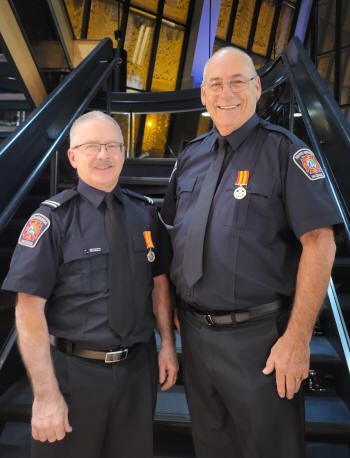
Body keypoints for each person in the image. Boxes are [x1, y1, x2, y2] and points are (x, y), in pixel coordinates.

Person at [160, 47, 341, 458]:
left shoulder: (286, 153)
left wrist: (296, 340)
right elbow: (173, 233)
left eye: (238, 81)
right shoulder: (189, 157)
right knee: (212, 447)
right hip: (198, 338)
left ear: (257, 88)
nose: (227, 93)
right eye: (216, 84)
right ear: (203, 95)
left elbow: (320, 243)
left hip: (260, 342)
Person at [2, 110, 178, 458]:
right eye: (92, 146)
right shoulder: (52, 219)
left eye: (113, 146)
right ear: (73, 156)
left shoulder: (144, 214)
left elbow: (159, 284)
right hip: (73, 377)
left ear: (123, 153)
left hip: (136, 375)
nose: (103, 155)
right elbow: (28, 309)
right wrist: (45, 394)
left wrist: (168, 344)